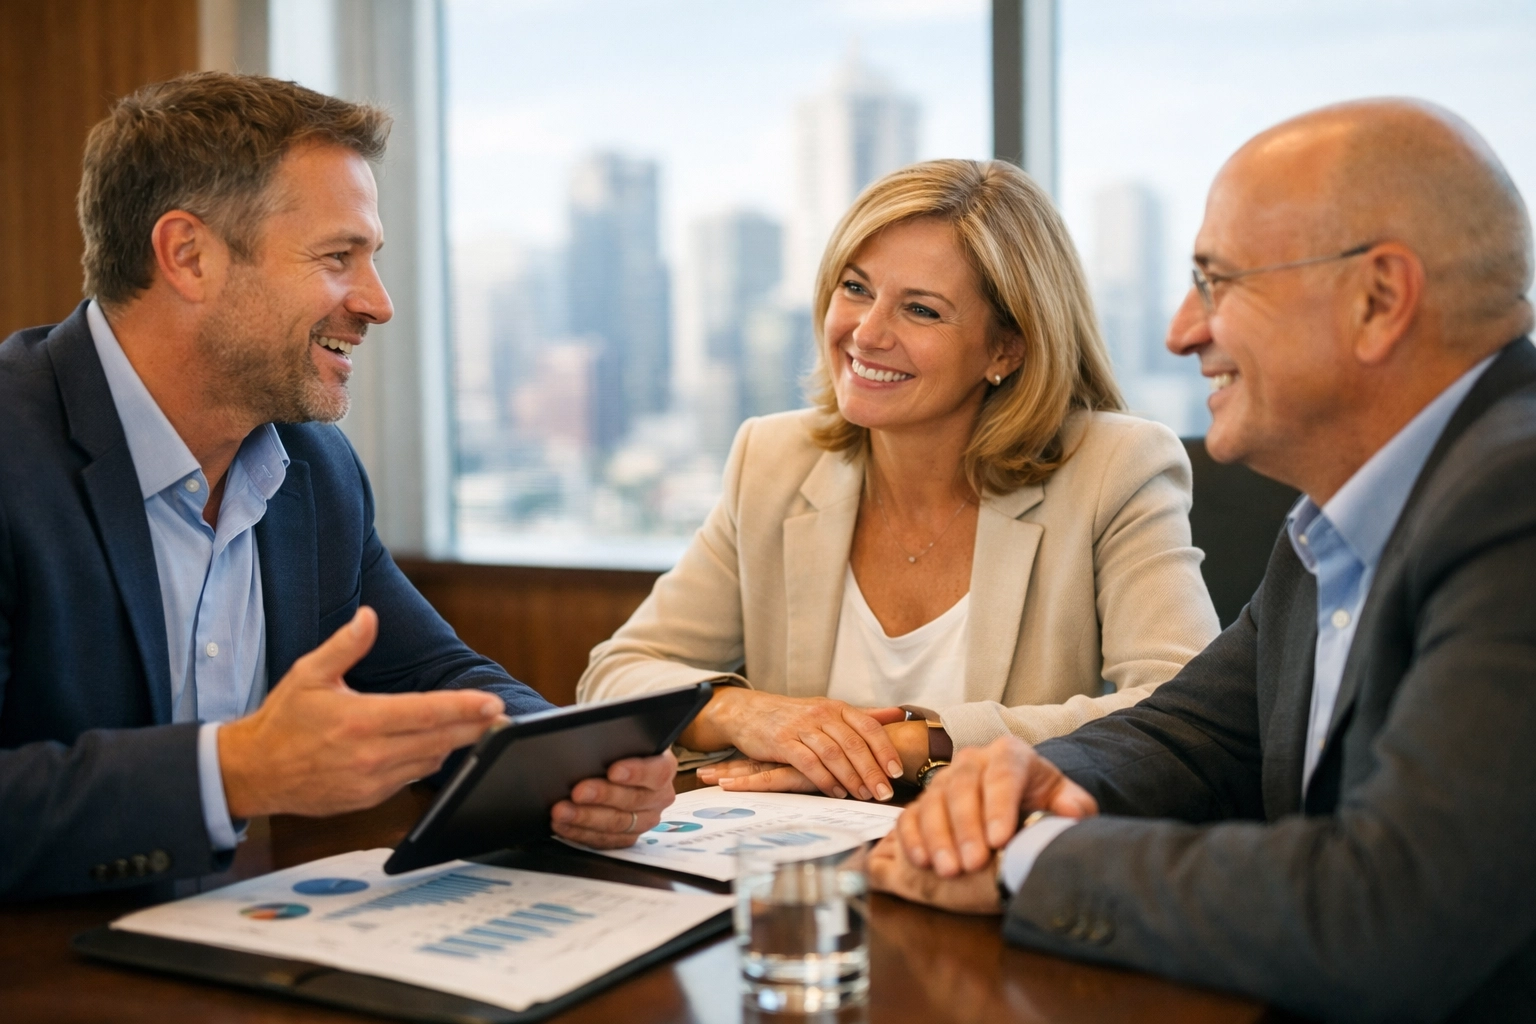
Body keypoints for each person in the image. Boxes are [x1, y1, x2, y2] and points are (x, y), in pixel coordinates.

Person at [869, 98, 1536, 1023]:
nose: (1184, 330)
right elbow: (1195, 733)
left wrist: (1030, 861)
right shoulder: (1336, 521)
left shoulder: (1516, 501)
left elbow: (1395, 904)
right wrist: (1036, 779)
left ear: (1378, 300)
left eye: (1217, 283)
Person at [0, 73, 675, 902]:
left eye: (372, 259)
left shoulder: (314, 467)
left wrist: (577, 767)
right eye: (336, 257)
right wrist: (235, 772)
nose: (378, 303)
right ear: (189, 255)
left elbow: (431, 675)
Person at [577, 159, 1219, 803]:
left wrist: (916, 746)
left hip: (995, 870)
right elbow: (616, 674)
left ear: (1006, 349)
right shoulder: (772, 459)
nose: (867, 332)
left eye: (920, 309)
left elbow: (1185, 714)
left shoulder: (1116, 467)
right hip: (795, 866)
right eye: (856, 288)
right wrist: (746, 713)